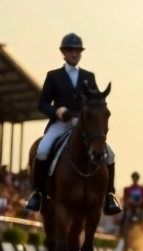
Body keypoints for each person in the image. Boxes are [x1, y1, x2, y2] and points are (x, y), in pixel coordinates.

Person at [24, 33, 121, 216]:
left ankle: (109, 195)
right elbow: (42, 103)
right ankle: (37, 192)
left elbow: (94, 102)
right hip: (61, 123)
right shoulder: (54, 76)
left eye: (77, 50)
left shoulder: (89, 76)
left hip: (83, 126)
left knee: (110, 155)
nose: (74, 54)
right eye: (70, 50)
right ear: (64, 52)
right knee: (43, 149)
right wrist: (58, 111)